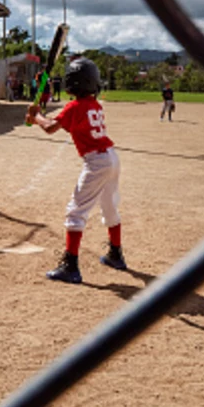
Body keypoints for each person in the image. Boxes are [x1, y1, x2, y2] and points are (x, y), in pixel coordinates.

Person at [27, 57, 125, 284]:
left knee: (76, 211)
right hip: (111, 158)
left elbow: (51, 127)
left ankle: (70, 266)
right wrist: (37, 118)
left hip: (96, 163)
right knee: (109, 207)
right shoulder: (94, 105)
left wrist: (36, 117)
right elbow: (68, 124)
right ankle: (116, 255)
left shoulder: (74, 106)